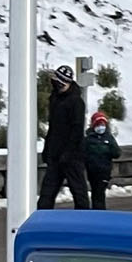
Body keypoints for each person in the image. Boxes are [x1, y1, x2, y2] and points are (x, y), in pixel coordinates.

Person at [39, 64, 91, 209]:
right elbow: (53, 127)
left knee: (78, 191)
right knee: (47, 193)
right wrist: (47, 149)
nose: (57, 85)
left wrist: (68, 153)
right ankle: (43, 220)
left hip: (72, 156)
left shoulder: (76, 102)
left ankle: (83, 220)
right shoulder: (55, 98)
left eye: (61, 82)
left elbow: (77, 130)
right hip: (55, 155)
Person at [83, 110, 118, 208]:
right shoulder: (89, 139)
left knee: (100, 193)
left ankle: (100, 211)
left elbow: (116, 153)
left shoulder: (109, 138)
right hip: (92, 170)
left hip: (104, 171)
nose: (101, 127)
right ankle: (97, 211)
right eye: (98, 124)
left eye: (103, 124)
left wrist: (107, 149)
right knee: (95, 192)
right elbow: (84, 153)